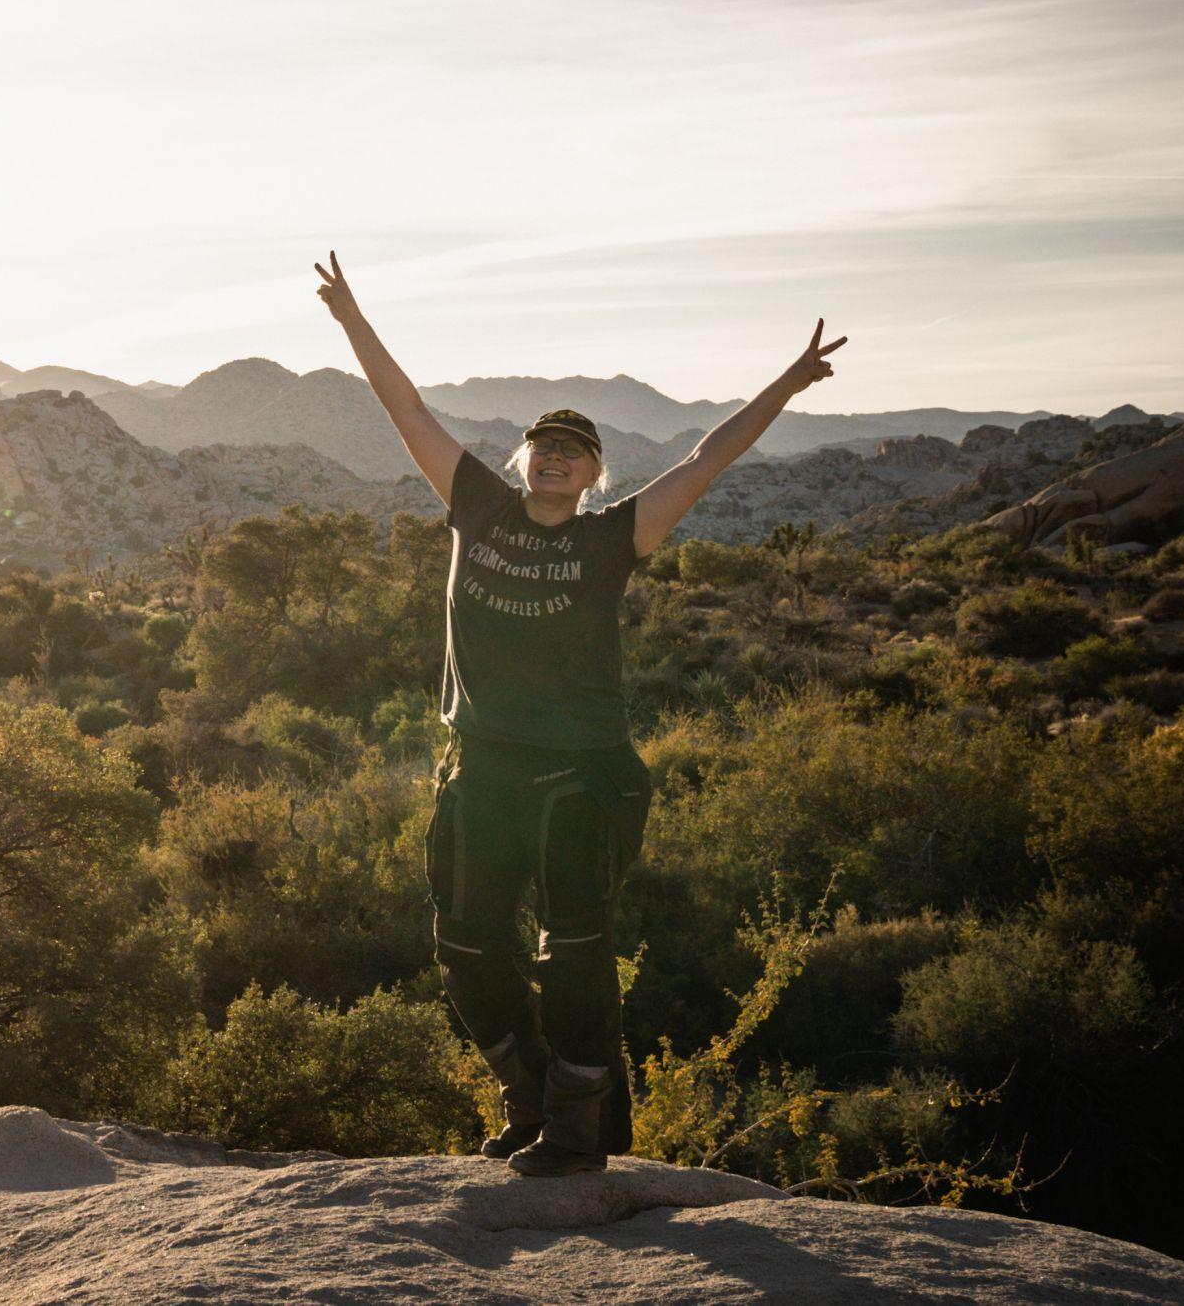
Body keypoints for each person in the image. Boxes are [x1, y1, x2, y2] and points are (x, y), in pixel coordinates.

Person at [311, 248, 845, 1175]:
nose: (556, 454)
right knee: (467, 946)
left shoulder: (614, 537)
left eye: (575, 449)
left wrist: (789, 383)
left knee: (576, 956)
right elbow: (408, 410)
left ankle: (578, 1125)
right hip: (482, 765)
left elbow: (707, 456)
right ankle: (528, 1095)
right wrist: (353, 319)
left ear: (594, 474)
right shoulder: (476, 504)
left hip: (579, 774)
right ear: (524, 460)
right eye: (544, 443)